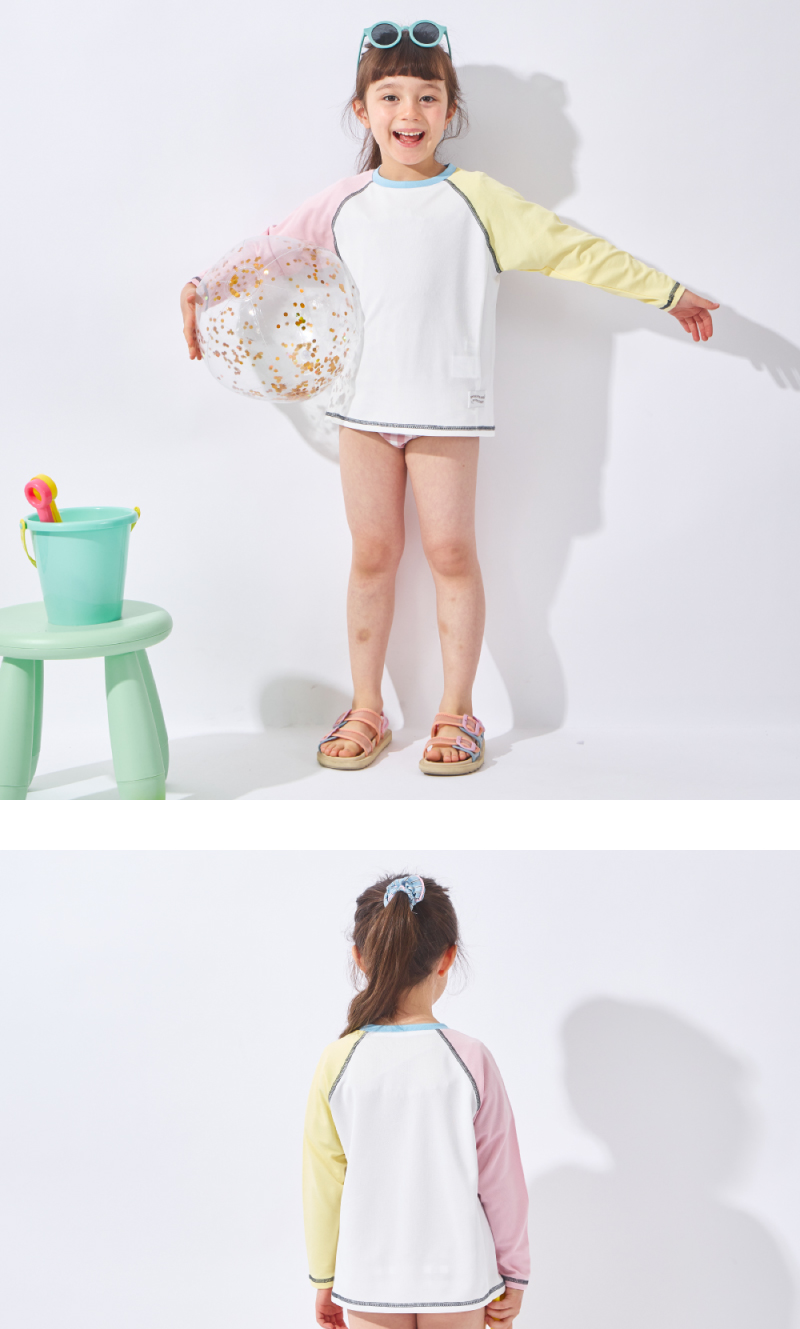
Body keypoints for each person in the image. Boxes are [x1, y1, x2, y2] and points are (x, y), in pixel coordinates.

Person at [180, 24, 717, 776]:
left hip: (445, 411)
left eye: (428, 97)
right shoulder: (341, 203)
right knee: (372, 556)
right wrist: (201, 286)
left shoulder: (480, 201)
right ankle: (367, 708)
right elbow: (268, 251)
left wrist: (667, 292)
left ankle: (456, 710)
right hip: (363, 411)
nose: (410, 112)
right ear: (363, 110)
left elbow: (575, 249)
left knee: (451, 553)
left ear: (450, 110)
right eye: (390, 96)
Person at [302, 871, 528, 1329]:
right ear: (447, 957)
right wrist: (514, 1273)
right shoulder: (470, 1058)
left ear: (361, 958)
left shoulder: (339, 1061)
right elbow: (501, 1178)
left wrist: (325, 1276)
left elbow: (323, 1179)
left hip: (369, 1276)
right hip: (458, 1275)